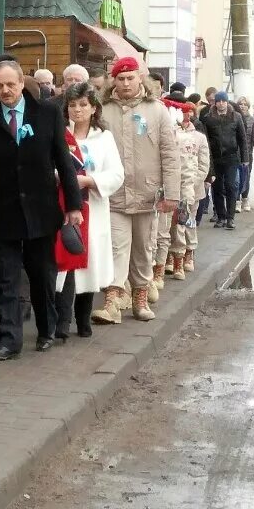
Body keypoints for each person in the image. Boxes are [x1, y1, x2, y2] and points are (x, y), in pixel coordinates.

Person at [0, 60, 83, 358]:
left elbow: (64, 161)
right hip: (4, 210)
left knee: (41, 275)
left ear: (22, 84)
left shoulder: (47, 113)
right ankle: (8, 341)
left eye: (10, 84)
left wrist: (73, 204)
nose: (5, 90)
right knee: (7, 279)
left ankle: (47, 328)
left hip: (41, 208)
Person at [91, 57, 180, 324]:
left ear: (140, 78)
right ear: (113, 81)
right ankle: (112, 303)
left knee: (143, 249)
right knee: (117, 247)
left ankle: (140, 300)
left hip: (147, 194)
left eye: (131, 77)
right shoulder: (103, 110)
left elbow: (169, 153)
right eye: (121, 78)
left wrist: (172, 193)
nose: (126, 83)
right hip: (113, 194)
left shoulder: (157, 110)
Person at [53, 82, 123, 339]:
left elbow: (116, 174)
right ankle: (61, 322)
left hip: (92, 205)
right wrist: (61, 178)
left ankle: (83, 321)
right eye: (72, 105)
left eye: (83, 104)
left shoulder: (104, 138)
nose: (77, 110)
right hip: (63, 206)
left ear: (94, 107)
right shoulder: (59, 134)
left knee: (88, 263)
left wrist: (89, 181)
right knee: (66, 264)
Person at [152, 97, 198, 288]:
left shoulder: (187, 138)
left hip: (179, 191)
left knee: (179, 226)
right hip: (156, 190)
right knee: (158, 232)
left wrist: (186, 193)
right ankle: (159, 269)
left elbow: (188, 168)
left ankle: (178, 261)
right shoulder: (153, 135)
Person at [168, 100, 209, 277]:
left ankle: (189, 252)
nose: (186, 116)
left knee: (188, 221)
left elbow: (204, 164)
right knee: (173, 223)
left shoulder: (199, 137)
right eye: (182, 112)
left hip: (193, 187)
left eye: (189, 112)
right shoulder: (171, 133)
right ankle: (172, 254)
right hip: (173, 187)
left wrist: (193, 181)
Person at [201, 91, 247, 229]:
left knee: (231, 186)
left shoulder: (236, 117)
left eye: (223, 101)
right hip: (215, 158)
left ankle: (230, 218)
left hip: (231, 157)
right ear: (215, 103)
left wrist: (245, 158)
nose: (221, 103)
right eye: (218, 101)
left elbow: (242, 139)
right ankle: (221, 216)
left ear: (227, 102)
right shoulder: (208, 118)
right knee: (217, 188)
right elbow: (206, 140)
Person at [236, 97, 254, 212]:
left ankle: (245, 198)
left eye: (245, 104)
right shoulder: (235, 118)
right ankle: (237, 201)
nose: (242, 106)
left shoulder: (252, 120)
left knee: (246, 176)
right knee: (236, 178)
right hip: (235, 153)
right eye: (240, 104)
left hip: (247, 153)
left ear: (248, 106)